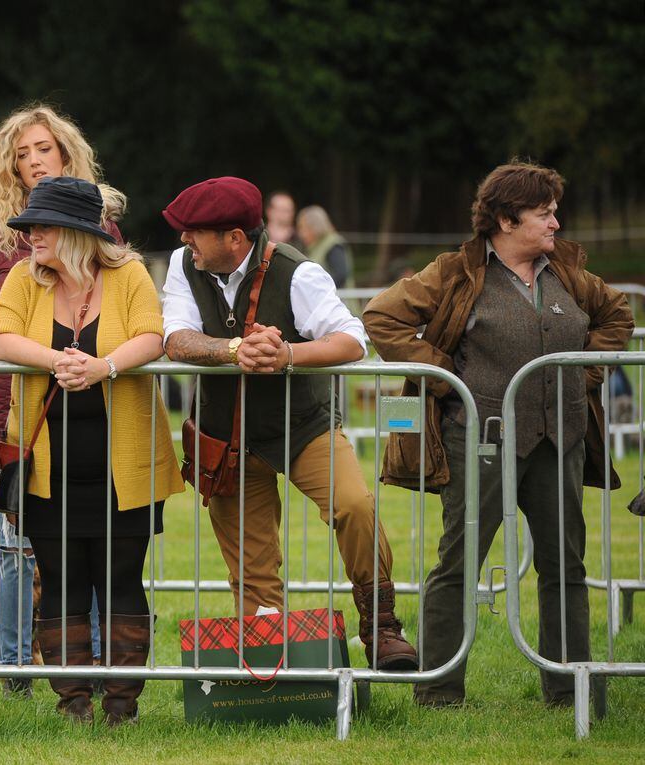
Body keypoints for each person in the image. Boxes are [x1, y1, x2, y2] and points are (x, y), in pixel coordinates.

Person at [363, 160, 633, 707]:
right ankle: (438, 692)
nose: (556, 223)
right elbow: (381, 317)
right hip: (477, 438)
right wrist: (446, 377)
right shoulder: (455, 271)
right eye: (544, 213)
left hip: (562, 439)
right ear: (506, 220)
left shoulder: (571, 273)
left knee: (566, 566)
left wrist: (585, 371)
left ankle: (570, 691)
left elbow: (618, 315)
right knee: (458, 562)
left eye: (555, 212)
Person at [161, 176, 418, 670]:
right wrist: (235, 349)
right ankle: (274, 669)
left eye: (193, 231)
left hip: (305, 426)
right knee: (253, 569)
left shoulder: (299, 273)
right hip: (227, 436)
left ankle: (381, 627)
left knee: (355, 506)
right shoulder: (182, 266)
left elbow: (352, 340)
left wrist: (287, 354)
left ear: (234, 237)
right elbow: (176, 337)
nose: (183, 239)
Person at [0, 176, 184, 725]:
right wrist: (57, 361)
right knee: (61, 579)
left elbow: (153, 336)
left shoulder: (130, 275)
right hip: (49, 467)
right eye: (29, 228)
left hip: (125, 467)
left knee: (122, 578)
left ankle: (122, 704)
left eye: (42, 227)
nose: (30, 238)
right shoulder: (26, 279)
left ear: (77, 233)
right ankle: (73, 700)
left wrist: (104, 366)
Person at [0, 104, 121, 696]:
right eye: (21, 153)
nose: (33, 160)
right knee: (16, 541)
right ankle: (16, 665)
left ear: (67, 152)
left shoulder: (101, 225)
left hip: (91, 402)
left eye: (43, 148)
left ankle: (95, 657)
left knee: (92, 535)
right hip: (14, 401)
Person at [296, 205, 354, 288]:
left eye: (302, 227)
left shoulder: (333, 244)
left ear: (314, 227)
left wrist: (319, 289)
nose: (300, 233)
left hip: (339, 299)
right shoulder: (315, 247)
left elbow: (341, 274)